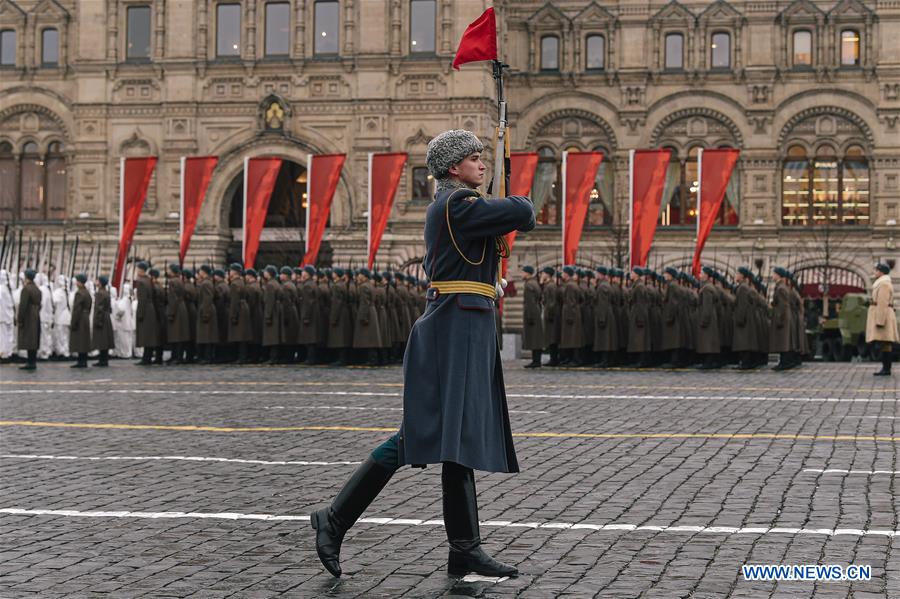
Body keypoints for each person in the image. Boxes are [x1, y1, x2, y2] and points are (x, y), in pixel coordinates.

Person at [311, 129, 533, 579]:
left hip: (465, 324)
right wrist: (512, 197)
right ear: (453, 168)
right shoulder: (457, 204)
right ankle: (334, 518)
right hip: (453, 329)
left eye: (482, 158)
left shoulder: (460, 207)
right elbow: (523, 212)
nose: (482, 165)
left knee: (458, 437)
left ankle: (464, 549)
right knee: (419, 437)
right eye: (474, 159)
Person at [866, 263, 897, 376]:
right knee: (885, 343)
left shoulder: (883, 284)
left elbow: (882, 303)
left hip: (883, 316)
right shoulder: (882, 283)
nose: (875, 272)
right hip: (884, 315)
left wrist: (880, 321)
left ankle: (886, 368)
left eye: (877, 270)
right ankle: (885, 368)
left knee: (886, 343)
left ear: (881, 272)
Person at [134, 262, 159, 365]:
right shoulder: (148, 280)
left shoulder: (141, 282)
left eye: (138, 269)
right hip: (150, 308)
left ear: (141, 270)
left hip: (145, 309)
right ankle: (147, 356)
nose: (137, 271)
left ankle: (146, 358)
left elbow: (142, 300)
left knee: (146, 334)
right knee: (149, 335)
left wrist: (140, 314)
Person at [770, 267, 795, 371]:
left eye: (774, 273)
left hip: (782, 316)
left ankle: (784, 362)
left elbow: (782, 305)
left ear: (778, 275)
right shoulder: (782, 287)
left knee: (783, 340)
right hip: (785, 315)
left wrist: (779, 318)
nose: (772, 276)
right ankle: (784, 361)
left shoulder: (780, 288)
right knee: (784, 340)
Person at [16, 269, 41, 370]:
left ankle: (30, 362)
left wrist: (20, 319)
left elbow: (23, 306)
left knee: (28, 338)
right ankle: (32, 361)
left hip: (28, 316)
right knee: (34, 339)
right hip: (36, 315)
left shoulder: (26, 289)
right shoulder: (37, 289)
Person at [520, 265, 543, 368]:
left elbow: (530, 303)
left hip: (532, 313)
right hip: (536, 312)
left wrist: (529, 316)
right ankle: (536, 360)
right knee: (536, 337)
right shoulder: (535, 283)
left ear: (528, 273)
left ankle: (536, 361)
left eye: (523, 272)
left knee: (534, 338)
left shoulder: (529, 285)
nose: (522, 274)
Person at [195, 265, 219, 364]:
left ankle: (207, 357)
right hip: (207, 308)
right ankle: (207, 356)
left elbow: (207, 299)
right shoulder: (207, 282)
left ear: (204, 272)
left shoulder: (205, 283)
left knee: (207, 335)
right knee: (207, 335)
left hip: (207, 309)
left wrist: (205, 313)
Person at [69, 273, 92, 368]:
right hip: (86, 316)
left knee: (80, 340)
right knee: (84, 340)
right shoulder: (87, 292)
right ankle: (84, 360)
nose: (76, 283)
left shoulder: (79, 293)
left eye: (77, 281)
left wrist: (73, 322)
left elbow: (77, 309)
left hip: (80, 318)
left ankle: (81, 361)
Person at [91, 276, 114, 366]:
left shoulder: (99, 293)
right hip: (106, 317)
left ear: (100, 283)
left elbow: (99, 308)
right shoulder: (106, 292)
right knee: (105, 340)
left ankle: (102, 360)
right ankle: (104, 359)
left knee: (102, 340)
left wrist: (97, 320)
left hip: (102, 318)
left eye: (97, 280)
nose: (96, 282)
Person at [113, 283, 135, 359]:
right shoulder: (128, 299)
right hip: (128, 322)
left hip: (123, 322)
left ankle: (125, 354)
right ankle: (126, 353)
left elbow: (121, 310)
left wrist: (117, 317)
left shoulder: (126, 300)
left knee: (124, 340)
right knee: (126, 339)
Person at [0, 270, 14, 363]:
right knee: (8, 336)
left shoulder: (1, 289)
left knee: (2, 336)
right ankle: (8, 353)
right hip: (8, 316)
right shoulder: (8, 289)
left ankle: (3, 354)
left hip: (2, 316)